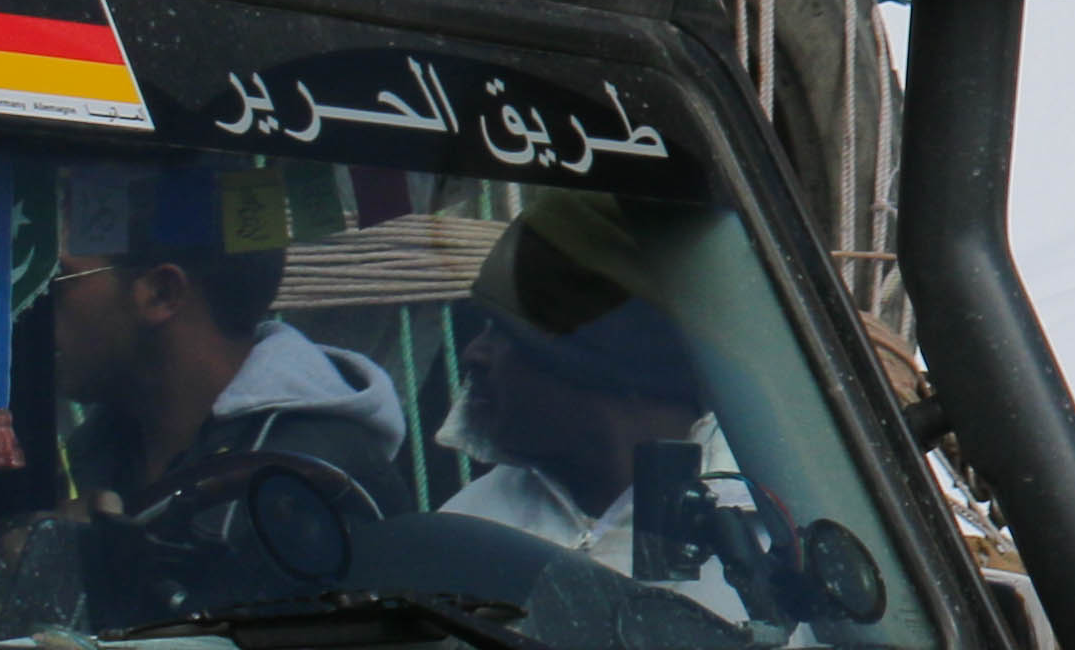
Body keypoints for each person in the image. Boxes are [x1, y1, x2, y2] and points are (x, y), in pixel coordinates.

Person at [50, 241, 408, 511]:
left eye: (56, 282)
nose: (30, 307)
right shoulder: (101, 444)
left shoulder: (307, 483)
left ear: (161, 294)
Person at [442, 294, 715, 570]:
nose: (474, 354)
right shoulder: (469, 523)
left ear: (607, 364)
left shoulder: (737, 515)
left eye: (505, 333)